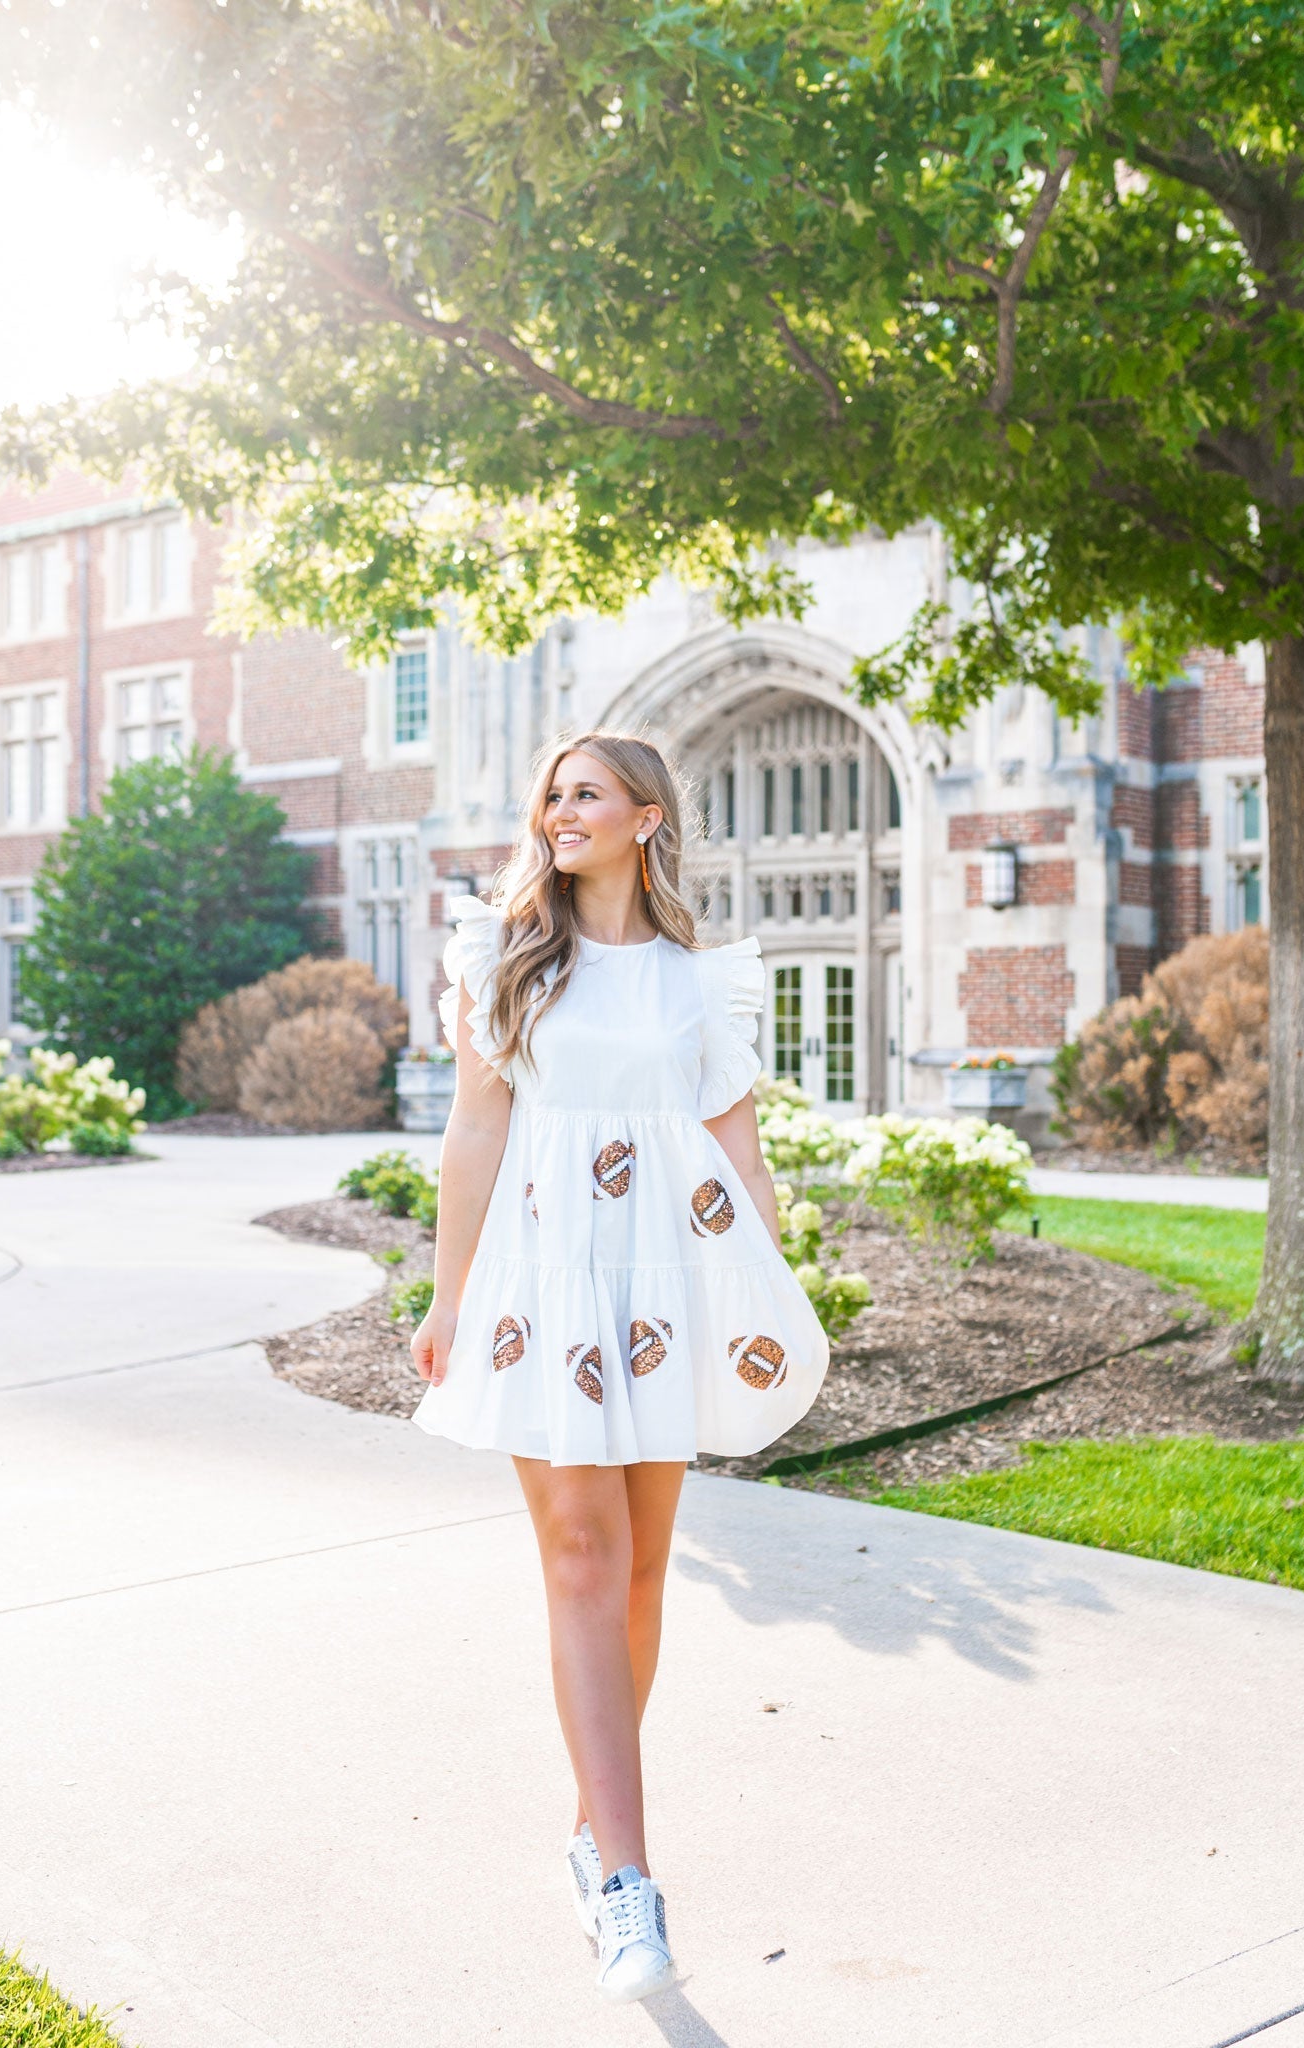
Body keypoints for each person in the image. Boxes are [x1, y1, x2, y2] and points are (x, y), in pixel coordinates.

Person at [409, 728, 829, 2004]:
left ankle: (594, 1831)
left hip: (665, 1288)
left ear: (648, 818)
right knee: (583, 1556)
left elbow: (739, 1157)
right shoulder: (507, 957)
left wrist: (772, 1295)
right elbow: (476, 1131)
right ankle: (632, 1881)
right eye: (549, 793)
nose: (557, 812)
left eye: (584, 793)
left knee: (644, 1569)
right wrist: (447, 1294)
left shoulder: (705, 981)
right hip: (545, 1285)